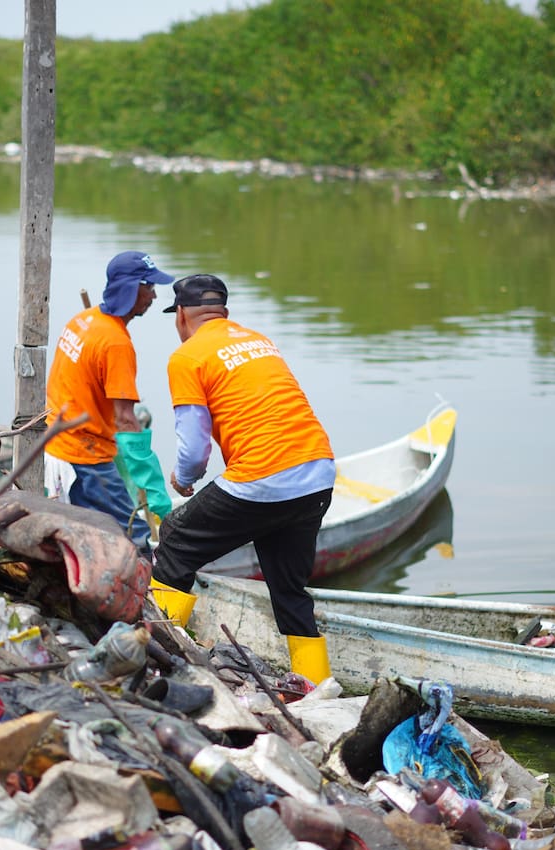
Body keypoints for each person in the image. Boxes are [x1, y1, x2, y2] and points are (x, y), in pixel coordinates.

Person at [150, 274, 337, 683]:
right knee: (289, 588)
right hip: (317, 472)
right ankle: (315, 685)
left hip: (264, 477)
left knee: (177, 539)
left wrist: (184, 480)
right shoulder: (259, 340)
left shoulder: (187, 356)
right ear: (224, 313)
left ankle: (155, 658)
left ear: (181, 315)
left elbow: (195, 448)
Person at [43, 251, 174, 554]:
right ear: (131, 288)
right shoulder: (116, 343)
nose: (154, 296)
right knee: (135, 534)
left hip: (56, 441)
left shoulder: (84, 320)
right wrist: (149, 478)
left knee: (87, 529)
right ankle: (149, 596)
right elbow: (126, 418)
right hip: (84, 456)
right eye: (150, 287)